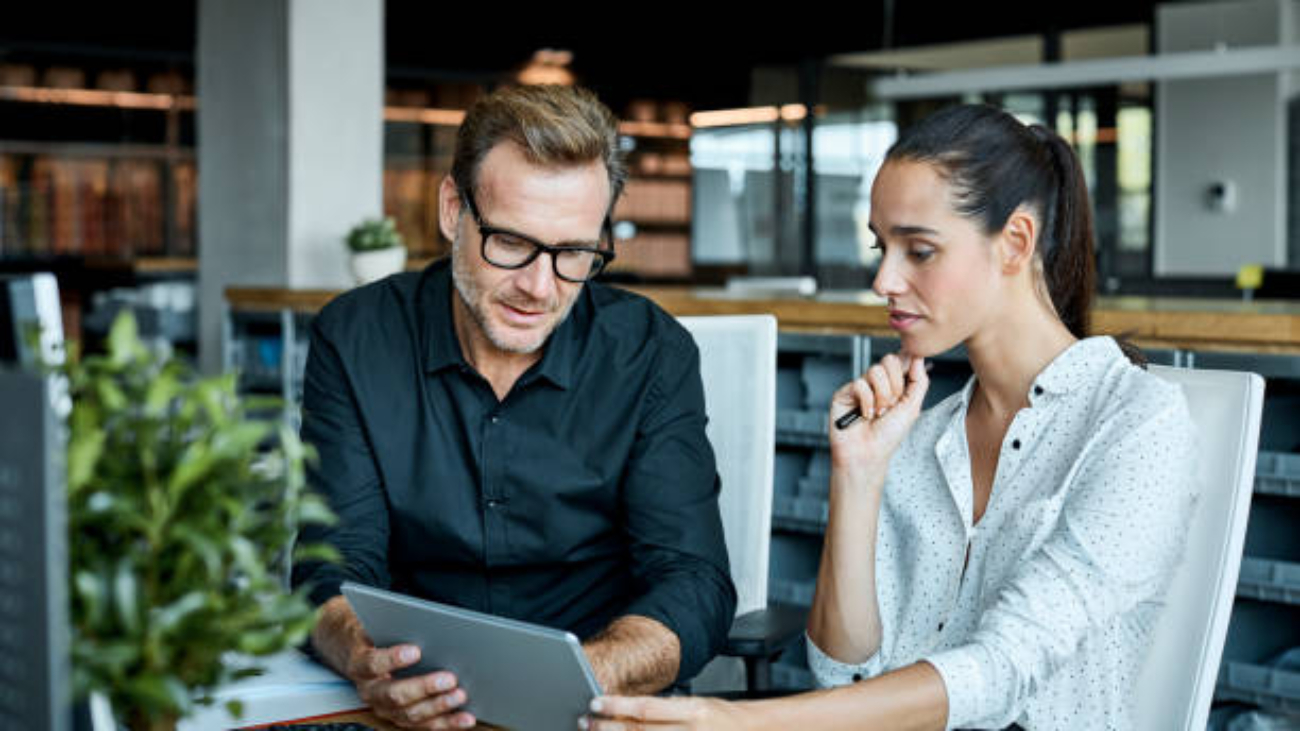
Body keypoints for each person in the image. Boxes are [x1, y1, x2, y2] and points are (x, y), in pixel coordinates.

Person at [587, 104, 1197, 730]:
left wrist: (745, 724)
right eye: (883, 247)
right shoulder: (923, 434)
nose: (884, 279)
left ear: (1015, 242)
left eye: (920, 250)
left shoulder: (1138, 424)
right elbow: (841, 672)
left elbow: (1005, 667)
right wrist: (858, 475)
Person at [292, 84, 736, 730]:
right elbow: (330, 565)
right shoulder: (356, 339)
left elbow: (694, 583)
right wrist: (365, 657)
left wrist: (583, 675)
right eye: (509, 242)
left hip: (593, 708)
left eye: (574, 253)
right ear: (453, 210)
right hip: (412, 708)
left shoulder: (651, 355)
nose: (539, 286)